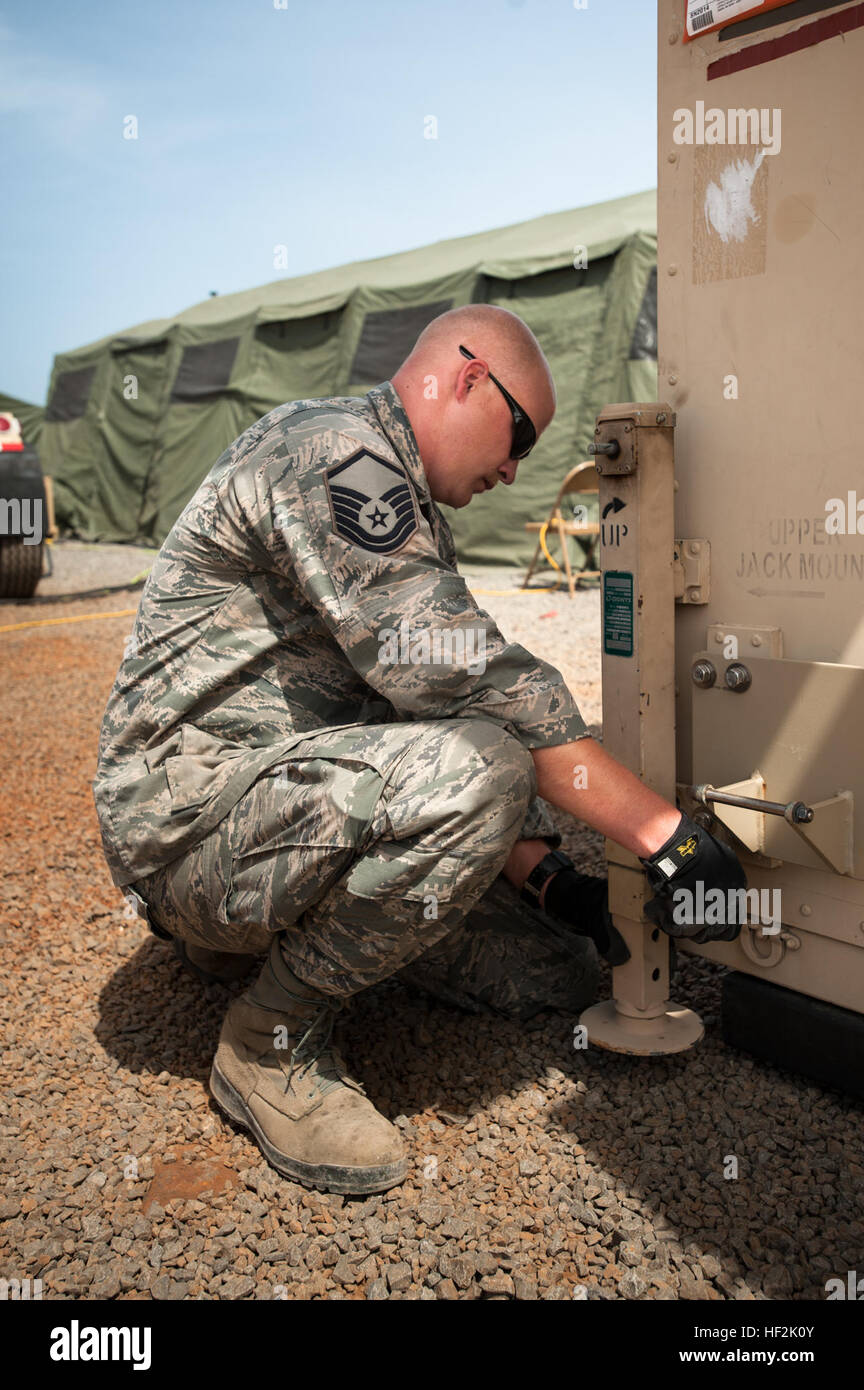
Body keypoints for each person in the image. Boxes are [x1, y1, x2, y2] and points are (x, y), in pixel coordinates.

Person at [93, 305, 744, 1196]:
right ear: (469, 375)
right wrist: (665, 836)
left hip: (285, 815)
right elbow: (471, 684)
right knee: (485, 760)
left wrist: (554, 884)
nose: (515, 470)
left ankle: (254, 942)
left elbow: (402, 716)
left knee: (556, 970)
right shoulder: (333, 453)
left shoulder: (402, 496)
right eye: (519, 435)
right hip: (190, 833)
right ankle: (267, 1039)